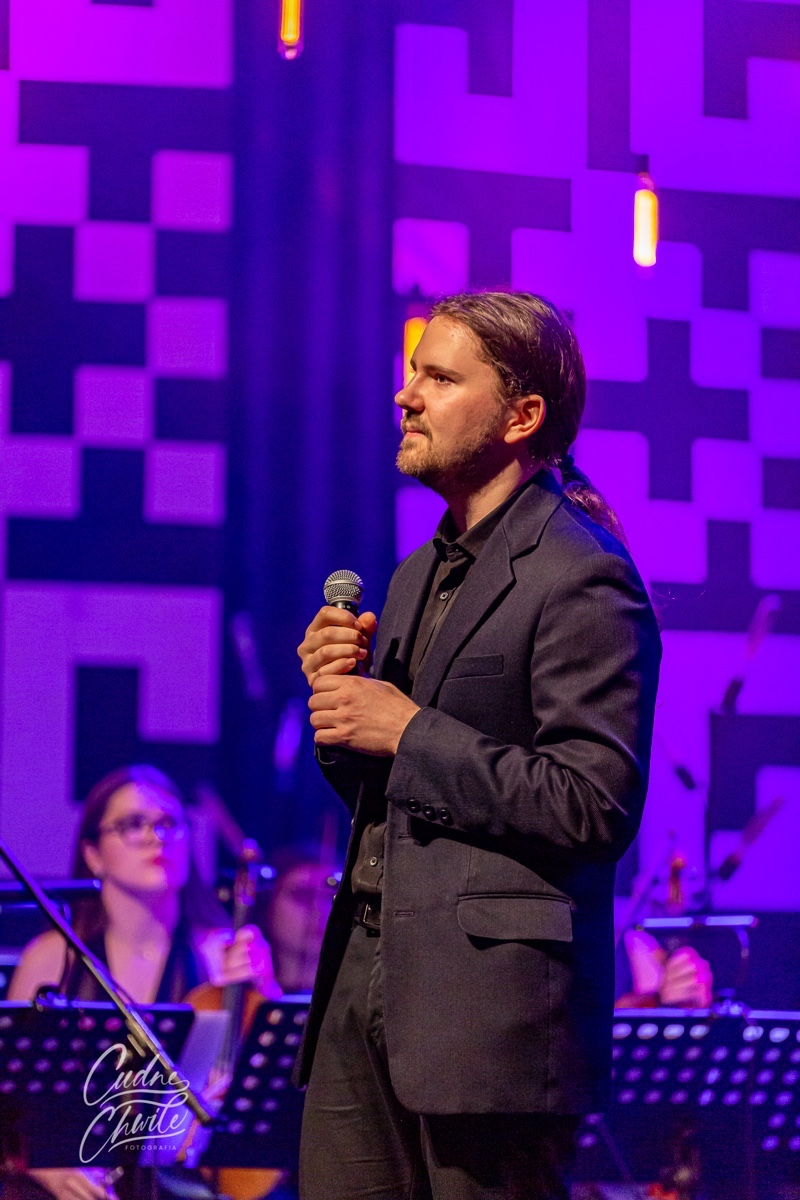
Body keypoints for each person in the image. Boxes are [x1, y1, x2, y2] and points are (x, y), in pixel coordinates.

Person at [296, 291, 662, 1199]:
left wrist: (406, 729)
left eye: (439, 377)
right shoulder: (415, 574)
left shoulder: (582, 573)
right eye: (412, 373)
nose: (406, 395)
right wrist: (343, 714)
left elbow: (594, 803)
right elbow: (397, 799)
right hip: (363, 978)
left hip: (489, 1012)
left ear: (520, 416)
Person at [8, 764, 280, 1200]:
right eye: (133, 824)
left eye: (169, 823)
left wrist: (264, 991)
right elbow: (12, 1103)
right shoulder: (51, 957)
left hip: (183, 1185)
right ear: (93, 854)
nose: (157, 837)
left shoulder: (221, 952)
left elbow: (269, 1090)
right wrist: (54, 1172)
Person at [259, 847, 339, 994]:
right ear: (268, 905)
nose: (320, 910)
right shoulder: (243, 997)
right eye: (302, 895)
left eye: (332, 897)